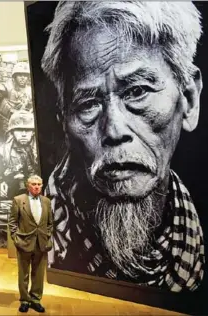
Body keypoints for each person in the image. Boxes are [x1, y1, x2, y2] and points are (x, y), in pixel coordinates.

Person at [39, 1, 205, 292]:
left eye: (138, 91)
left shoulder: (193, 227)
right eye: (88, 104)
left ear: (189, 100)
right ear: (64, 123)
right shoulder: (51, 238)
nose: (114, 130)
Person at [0, 111, 39, 247]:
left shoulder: (37, 153)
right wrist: (2, 183)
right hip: (12, 198)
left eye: (27, 130)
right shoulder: (3, 152)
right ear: (12, 132)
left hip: (35, 196)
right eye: (19, 130)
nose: (24, 134)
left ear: (33, 132)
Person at [9, 175, 53, 313]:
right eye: (34, 184)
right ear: (28, 185)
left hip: (41, 243)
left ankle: (35, 299)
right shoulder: (18, 200)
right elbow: (12, 222)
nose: (36, 186)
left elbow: (50, 223)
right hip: (23, 243)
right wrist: (16, 238)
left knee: (39, 274)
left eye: (39, 184)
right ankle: (24, 300)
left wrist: (47, 236)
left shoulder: (46, 201)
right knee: (23, 274)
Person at [0, 62, 33, 134]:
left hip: (23, 121)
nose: (22, 78)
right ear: (14, 77)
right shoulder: (8, 86)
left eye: (25, 75)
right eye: (19, 75)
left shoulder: (30, 90)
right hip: (5, 119)